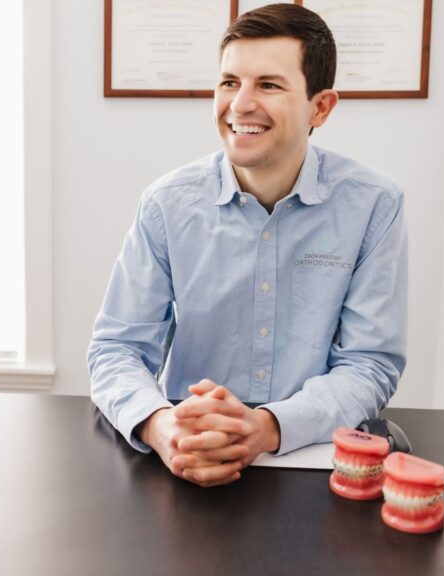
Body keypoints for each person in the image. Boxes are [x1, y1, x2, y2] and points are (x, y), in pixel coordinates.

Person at [88, 4, 408, 488]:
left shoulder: (374, 205)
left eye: (269, 85)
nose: (239, 105)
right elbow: (116, 350)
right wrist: (161, 426)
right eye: (229, 82)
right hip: (186, 454)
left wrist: (266, 427)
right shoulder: (166, 205)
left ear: (320, 107)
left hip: (309, 462)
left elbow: (370, 363)